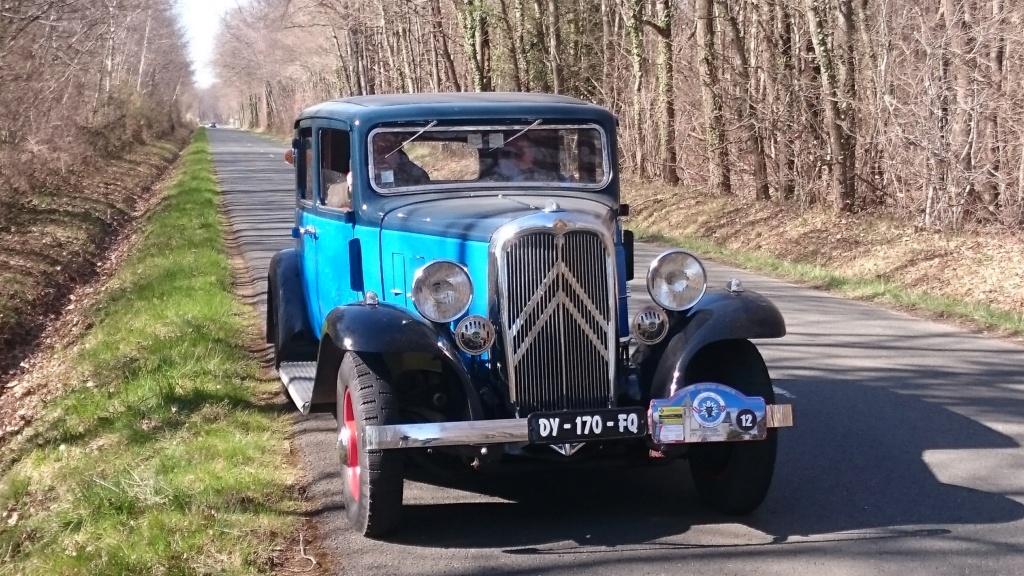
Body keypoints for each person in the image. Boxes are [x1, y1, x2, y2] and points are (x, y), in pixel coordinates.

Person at [490, 134, 558, 183]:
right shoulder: (488, 182)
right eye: (507, 153)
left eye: (518, 153)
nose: (513, 158)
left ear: (531, 159)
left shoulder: (546, 181)